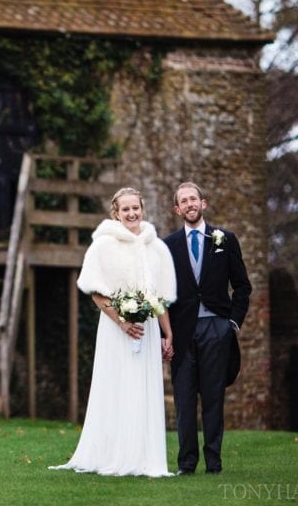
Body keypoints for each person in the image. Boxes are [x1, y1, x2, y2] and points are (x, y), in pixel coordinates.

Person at [50, 187, 176, 477]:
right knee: (118, 387)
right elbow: (95, 291)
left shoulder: (154, 247)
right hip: (116, 330)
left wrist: (168, 334)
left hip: (148, 329)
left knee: (143, 390)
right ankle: (115, 454)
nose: (132, 214)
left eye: (136, 208)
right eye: (126, 209)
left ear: (142, 209)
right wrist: (121, 320)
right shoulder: (103, 246)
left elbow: (160, 297)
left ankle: (145, 458)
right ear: (116, 213)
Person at [164, 182, 251, 475]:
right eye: (183, 201)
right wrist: (166, 333)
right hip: (182, 332)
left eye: (193, 199)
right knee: (185, 401)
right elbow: (162, 291)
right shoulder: (168, 245)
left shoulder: (225, 239)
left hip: (217, 328)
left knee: (213, 399)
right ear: (177, 209)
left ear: (204, 203)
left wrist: (232, 324)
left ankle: (214, 463)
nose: (189, 204)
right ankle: (186, 464)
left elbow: (242, 287)